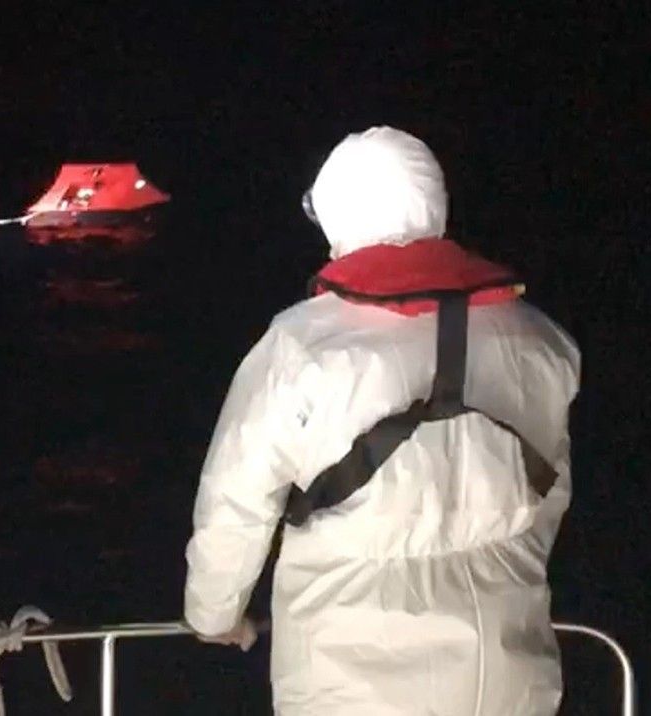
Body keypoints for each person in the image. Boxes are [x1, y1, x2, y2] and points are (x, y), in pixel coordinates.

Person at [183, 126, 580, 715]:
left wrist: (214, 616)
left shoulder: (301, 345)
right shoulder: (541, 340)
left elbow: (234, 503)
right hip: (508, 678)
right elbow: (550, 496)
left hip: (349, 683)